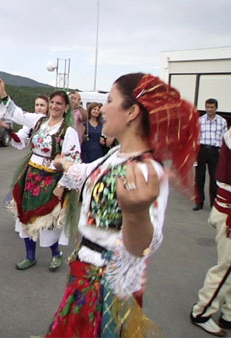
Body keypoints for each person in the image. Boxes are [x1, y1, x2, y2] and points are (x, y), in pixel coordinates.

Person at [46, 73, 200, 337]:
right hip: (85, 273)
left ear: (131, 112)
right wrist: (62, 163)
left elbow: (144, 246)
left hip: (108, 287)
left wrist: (136, 213)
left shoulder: (147, 171)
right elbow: (86, 172)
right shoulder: (115, 155)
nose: (103, 108)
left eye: (110, 100)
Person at [0, 79, 81, 271]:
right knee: (25, 216)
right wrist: (3, 93)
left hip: (51, 180)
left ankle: (56, 253)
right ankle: (29, 256)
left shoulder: (69, 132)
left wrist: (62, 185)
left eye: (59, 103)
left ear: (66, 108)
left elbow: (73, 163)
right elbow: (17, 114)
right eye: (52, 102)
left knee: (48, 220)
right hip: (31, 175)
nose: (54, 106)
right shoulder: (39, 121)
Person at [190, 128, 231, 337]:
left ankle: (228, 314)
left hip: (226, 207)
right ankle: (201, 312)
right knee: (226, 266)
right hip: (228, 209)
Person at [194, 98, 228, 211]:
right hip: (202, 150)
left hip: (215, 151)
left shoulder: (222, 121)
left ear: (216, 108)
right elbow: (195, 137)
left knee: (214, 178)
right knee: (199, 177)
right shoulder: (200, 120)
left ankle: (214, 204)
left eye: (212, 107)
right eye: (207, 107)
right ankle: (199, 202)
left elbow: (225, 139)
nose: (209, 109)